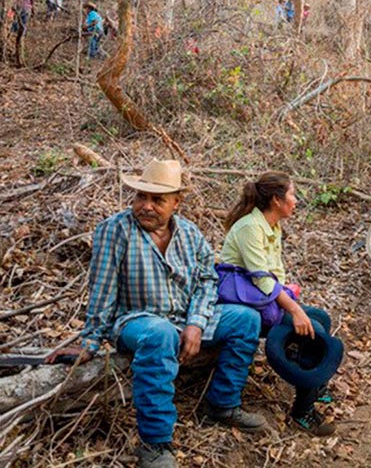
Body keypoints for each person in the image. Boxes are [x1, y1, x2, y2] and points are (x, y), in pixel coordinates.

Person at [49, 159, 265, 468]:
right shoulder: (115, 231)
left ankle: (222, 404)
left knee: (246, 320)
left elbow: (207, 281)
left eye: (157, 200)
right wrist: (90, 343)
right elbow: (102, 289)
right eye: (141, 197)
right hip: (136, 320)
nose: (146, 206)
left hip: (184, 317)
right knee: (160, 334)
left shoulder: (190, 234)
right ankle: (155, 443)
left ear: (176, 202)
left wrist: (196, 323)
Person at [220, 172, 340, 436]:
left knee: (321, 317)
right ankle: (302, 411)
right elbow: (262, 280)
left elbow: (275, 276)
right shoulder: (250, 227)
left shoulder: (272, 226)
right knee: (312, 331)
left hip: (264, 301)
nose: (296, 201)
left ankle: (314, 385)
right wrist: (294, 310)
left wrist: (292, 302)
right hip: (247, 305)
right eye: (292, 195)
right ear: (277, 200)